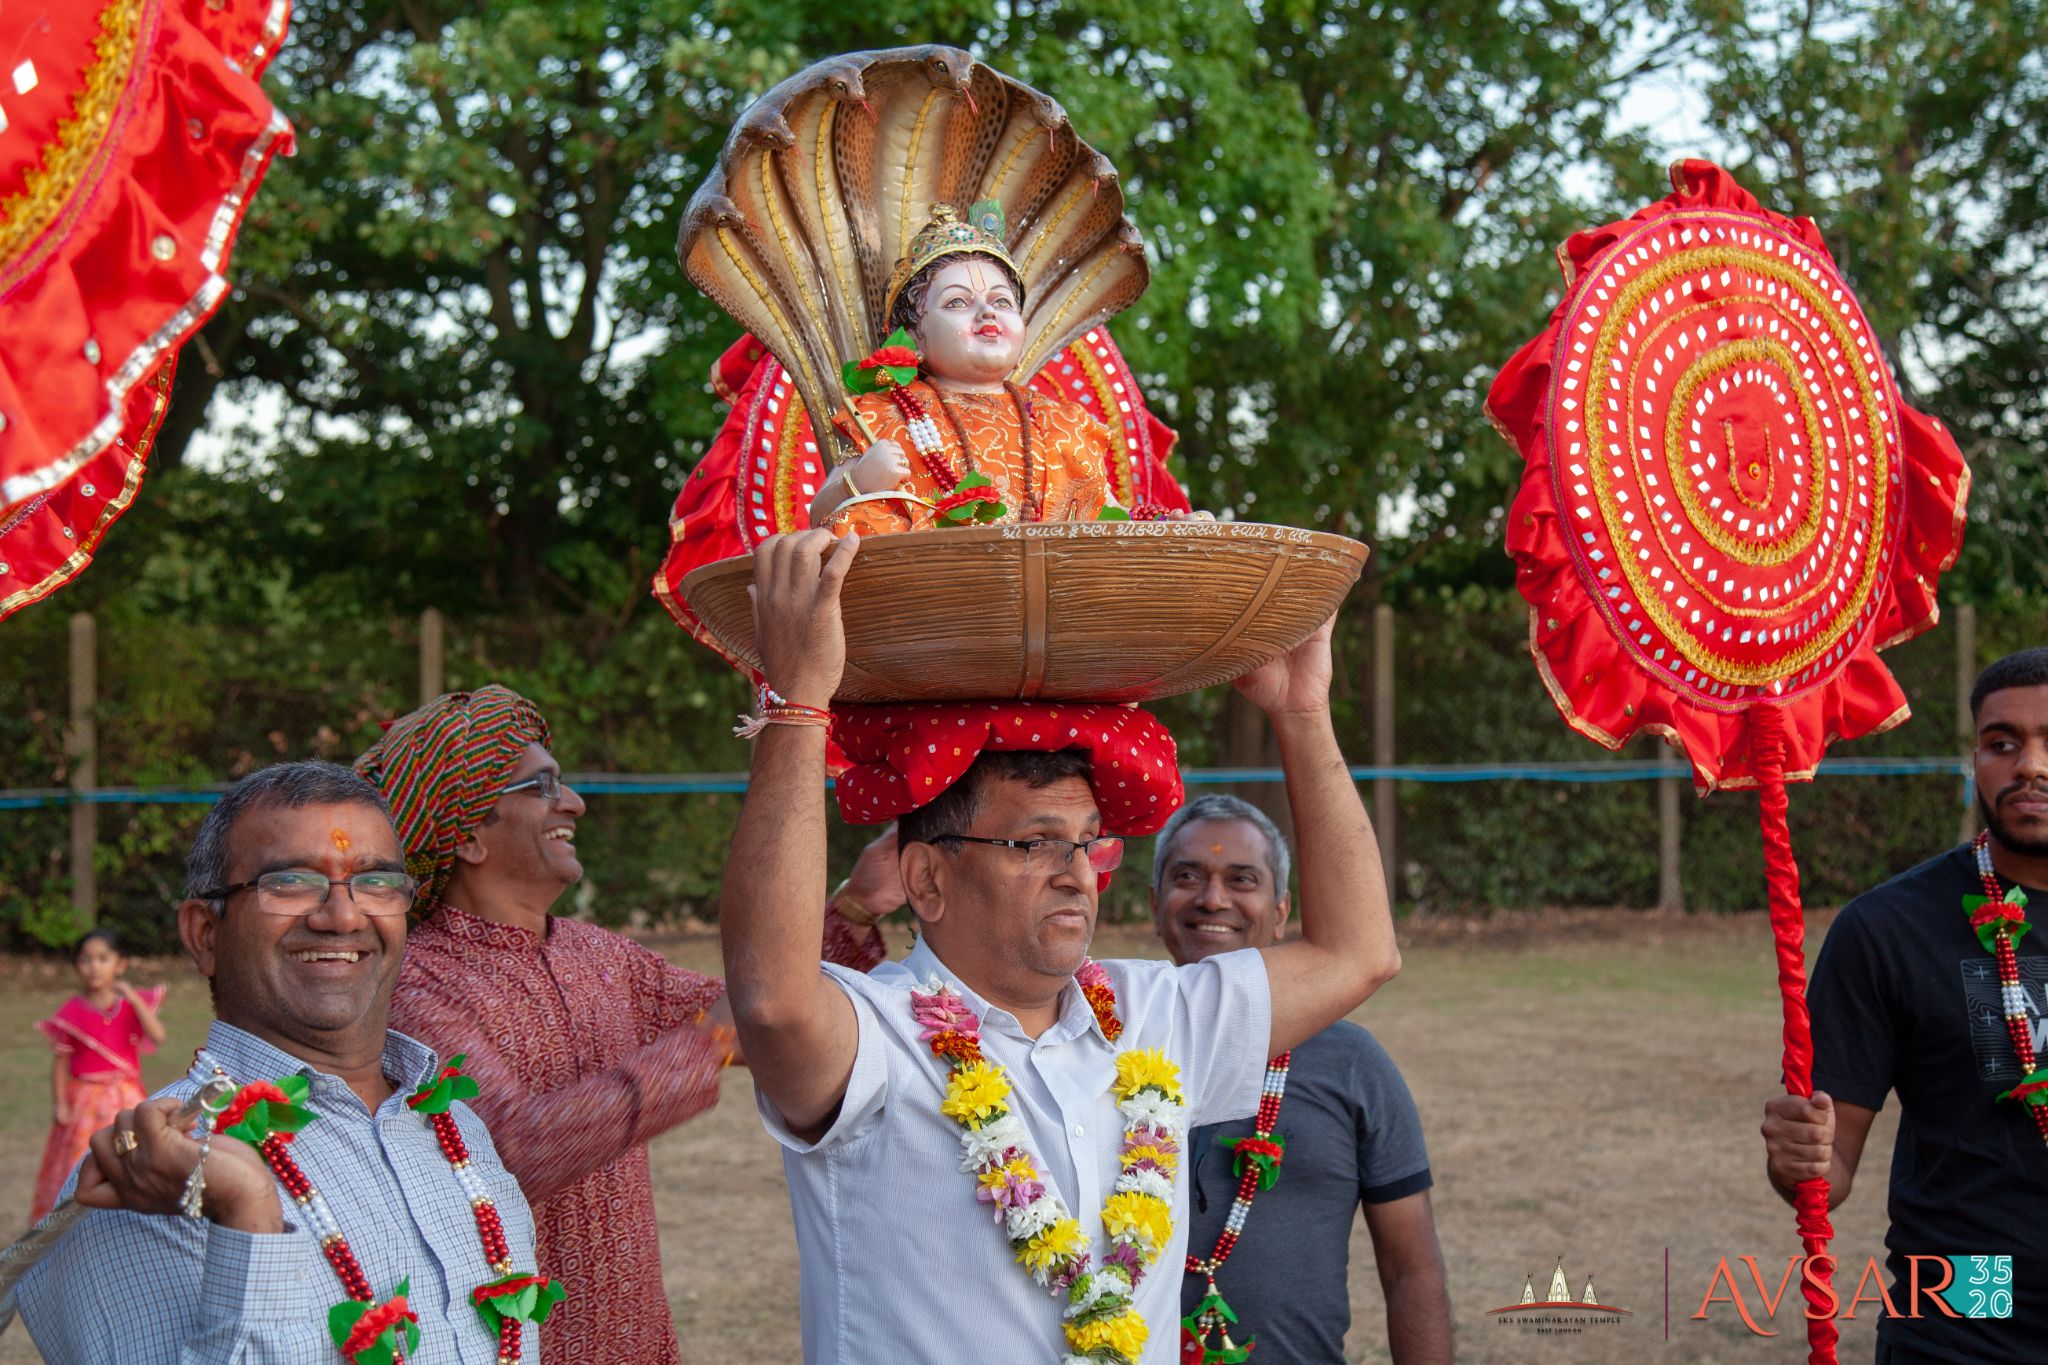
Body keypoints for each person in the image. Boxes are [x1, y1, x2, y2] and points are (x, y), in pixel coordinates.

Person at [720, 528, 1400, 1363]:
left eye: (1087, 842)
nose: (1077, 874)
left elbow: (1359, 952)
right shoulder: (880, 1034)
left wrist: (1302, 714)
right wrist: (796, 705)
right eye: (1035, 843)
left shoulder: (1154, 1014)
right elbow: (772, 1001)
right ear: (927, 880)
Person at [356, 685, 895, 1365]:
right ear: (466, 834)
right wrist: (708, 1044)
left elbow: (761, 1008)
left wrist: (856, 908)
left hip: (637, 1337)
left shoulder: (594, 953)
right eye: (542, 784)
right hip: (511, 1347)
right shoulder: (417, 981)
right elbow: (510, 1148)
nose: (573, 801)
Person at [15, 760, 546, 1363]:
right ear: (204, 934)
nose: (343, 916)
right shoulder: (147, 1181)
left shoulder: (451, 1130)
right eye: (291, 882)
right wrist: (248, 1212)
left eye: (374, 882)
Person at [1762, 647, 2048, 1363]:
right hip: (1971, 1312)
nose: (2029, 766)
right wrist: (1801, 1157)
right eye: (2002, 743)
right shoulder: (1889, 929)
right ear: (1975, 757)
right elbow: (1827, 1175)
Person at [1154, 794, 1452, 1363]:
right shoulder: (1106, 1044)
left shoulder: (1351, 1062)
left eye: (1242, 879)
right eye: (1188, 875)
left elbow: (1411, 1269)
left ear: (1282, 910)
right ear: (1155, 901)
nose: (1213, 898)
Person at [808, 202, 1122, 534]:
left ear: (1023, 330)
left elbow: (1112, 520)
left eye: (1001, 301)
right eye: (957, 302)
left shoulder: (1063, 423)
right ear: (914, 338)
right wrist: (857, 483)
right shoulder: (889, 416)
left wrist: (1163, 522)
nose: (988, 313)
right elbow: (819, 516)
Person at [28, 928, 168, 1223]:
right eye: (85, 960)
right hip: (84, 1101)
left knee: (129, 1155)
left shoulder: (130, 1005)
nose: (94, 967)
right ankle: (76, 1220)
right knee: (80, 1162)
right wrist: (60, 1104)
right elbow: (61, 1062)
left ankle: (128, 1217)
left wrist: (132, 996)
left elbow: (158, 1035)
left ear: (120, 964)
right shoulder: (72, 1011)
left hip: (124, 1097)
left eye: (103, 959)